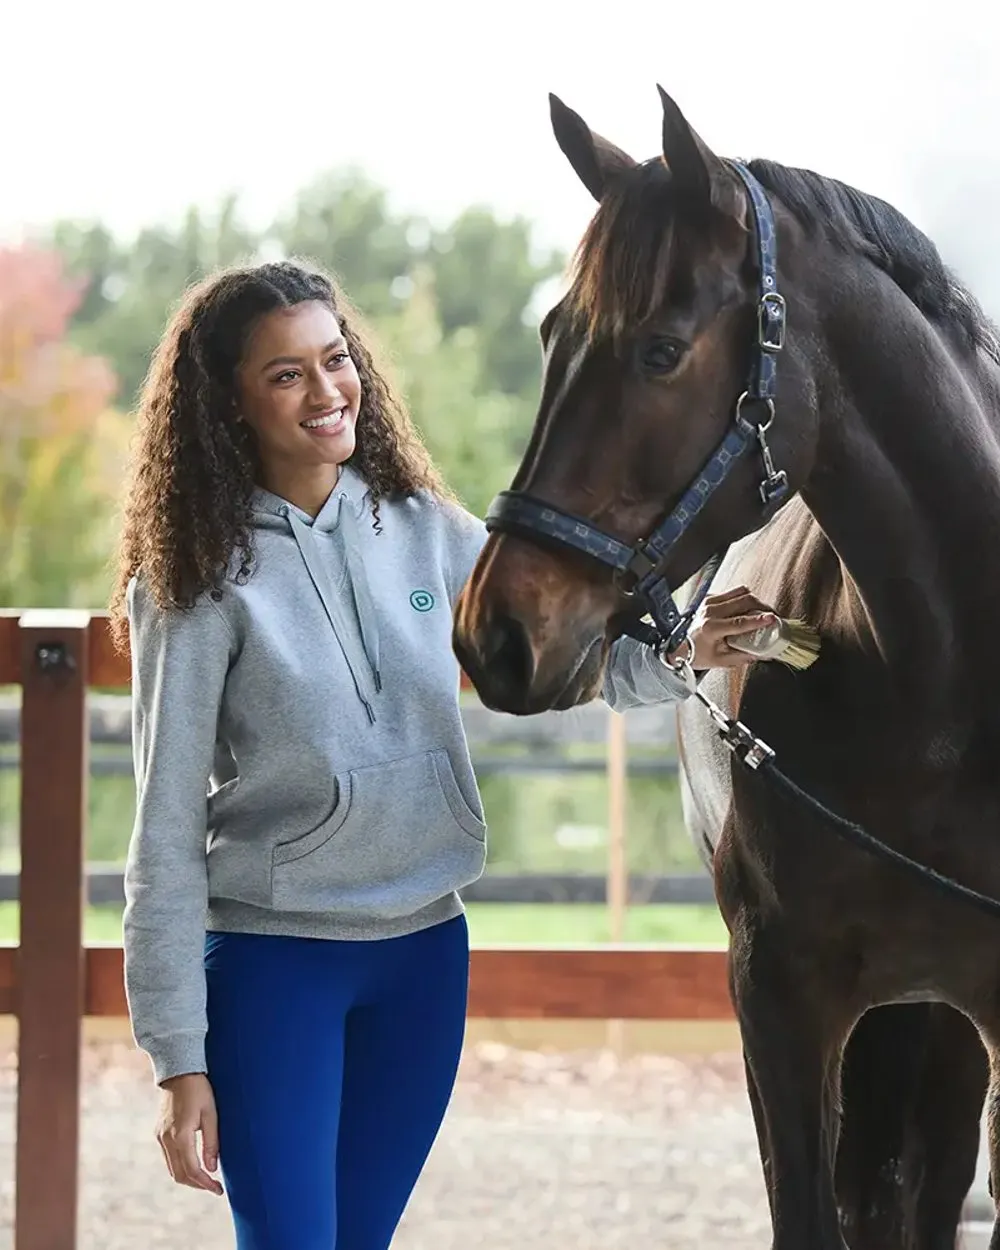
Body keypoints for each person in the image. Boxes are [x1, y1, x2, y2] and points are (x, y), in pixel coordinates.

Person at [107, 258, 778, 1250]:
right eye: (286, 373)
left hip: (423, 955)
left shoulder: (423, 528)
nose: (327, 390)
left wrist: (682, 653)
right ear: (231, 401)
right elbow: (161, 826)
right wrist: (176, 1057)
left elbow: (559, 659)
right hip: (272, 964)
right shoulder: (194, 581)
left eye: (336, 360)